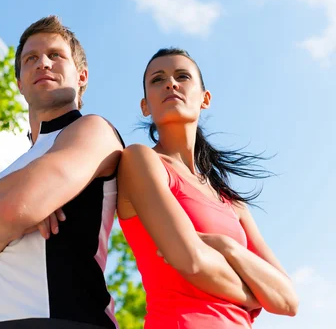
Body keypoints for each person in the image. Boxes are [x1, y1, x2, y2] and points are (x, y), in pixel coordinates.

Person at [0, 16, 124, 329]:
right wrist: (14, 224)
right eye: (30, 58)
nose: (43, 63)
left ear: (82, 76)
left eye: (56, 55)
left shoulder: (92, 131)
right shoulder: (8, 174)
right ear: (19, 82)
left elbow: (15, 207)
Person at [117, 48, 298, 328]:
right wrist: (257, 296)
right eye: (158, 79)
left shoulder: (230, 200)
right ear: (145, 106)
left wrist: (227, 247)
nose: (171, 83)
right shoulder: (141, 160)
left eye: (182, 76)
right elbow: (191, 262)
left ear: (205, 98)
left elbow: (288, 300)